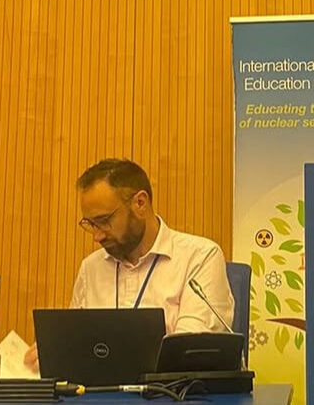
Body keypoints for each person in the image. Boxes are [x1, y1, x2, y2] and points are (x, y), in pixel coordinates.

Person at [26, 158, 234, 372]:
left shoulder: (200, 257)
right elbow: (79, 344)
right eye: (90, 224)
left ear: (140, 203)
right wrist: (58, 353)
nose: (97, 236)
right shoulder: (91, 269)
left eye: (104, 221)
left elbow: (187, 352)